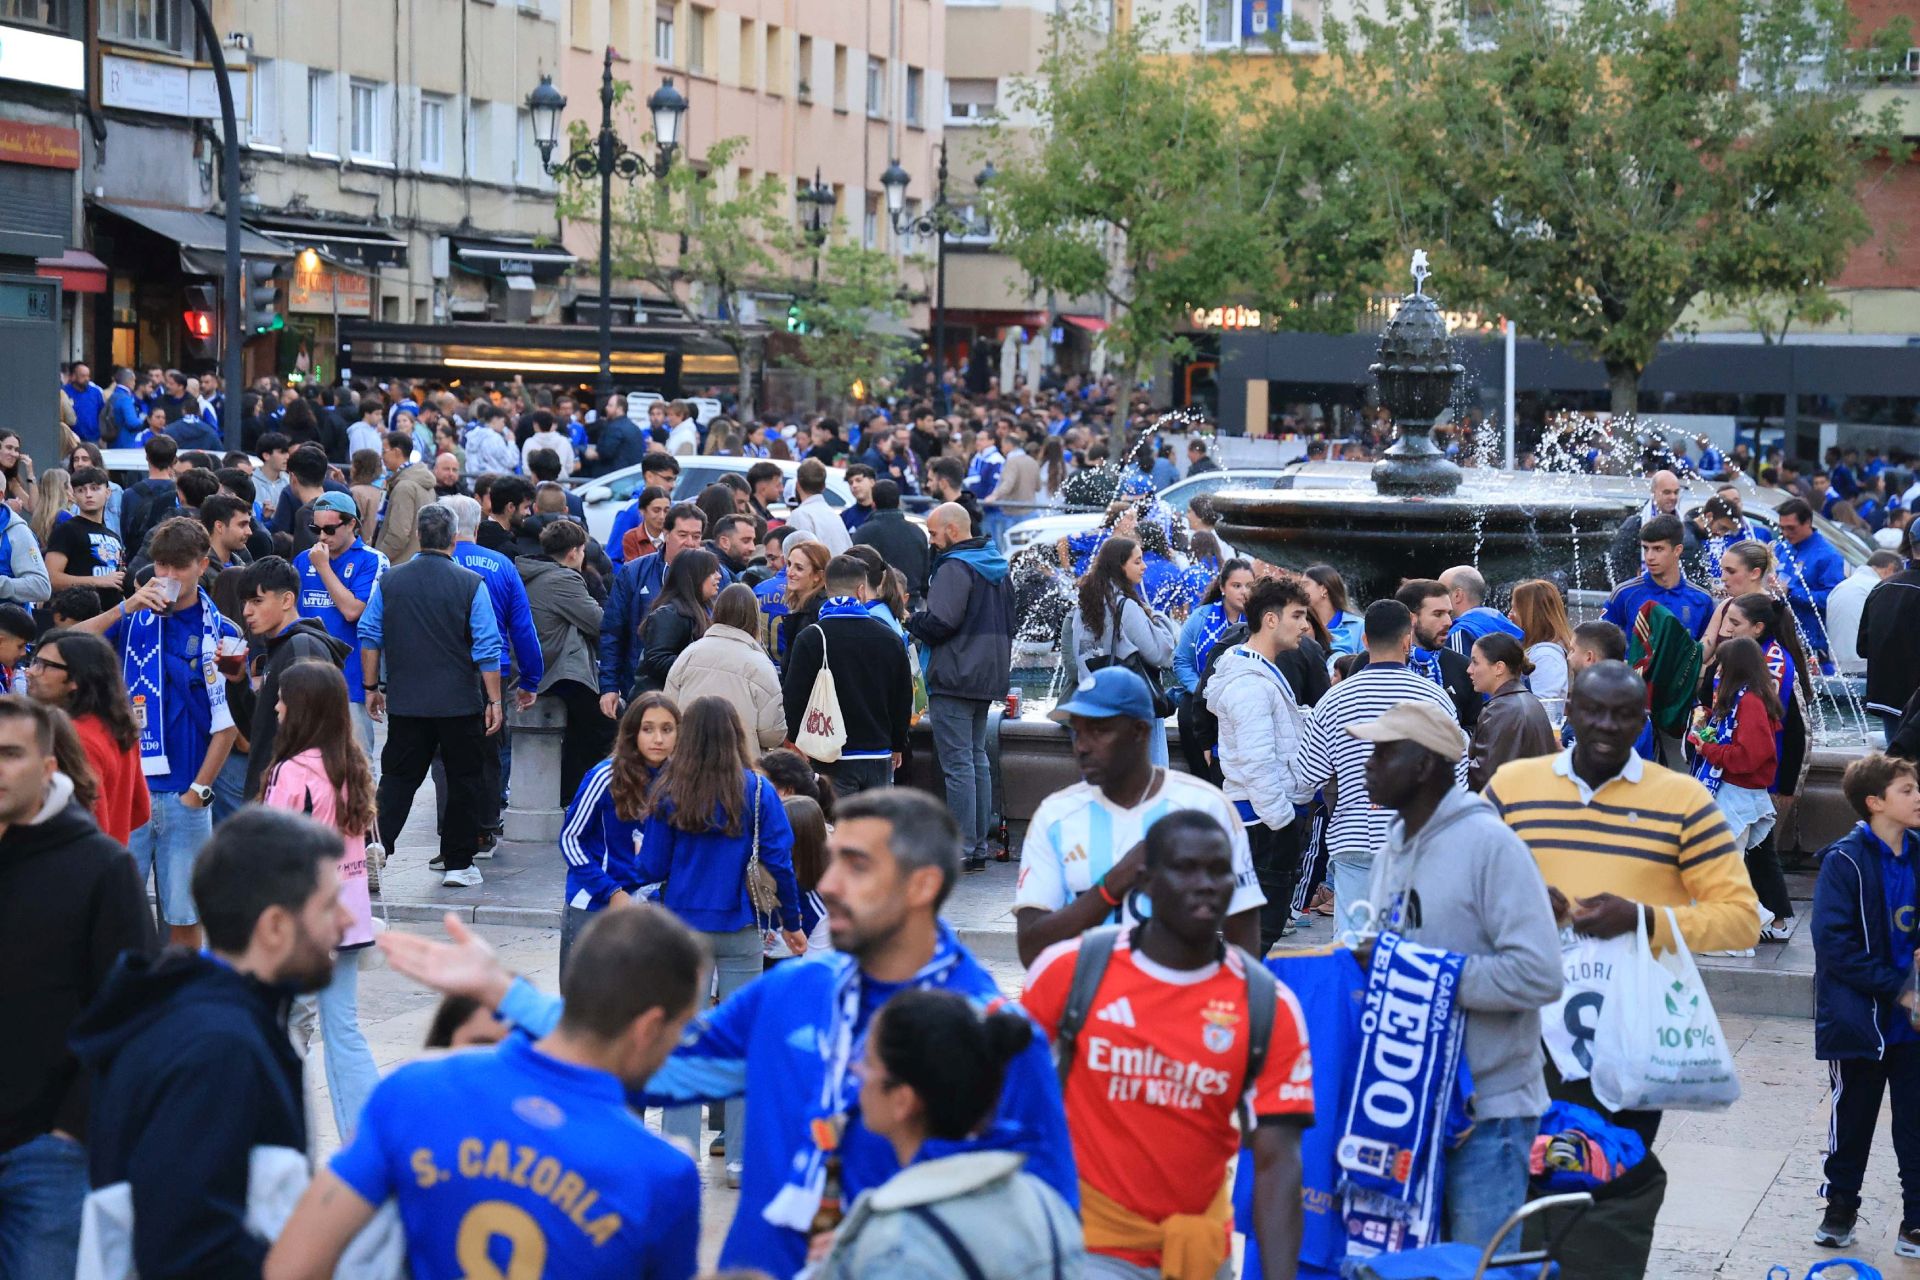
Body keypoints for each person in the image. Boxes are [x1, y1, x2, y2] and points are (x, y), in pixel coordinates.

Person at [377, 788, 1076, 1278]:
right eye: (831, 861)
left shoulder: (995, 1033)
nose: (827, 884)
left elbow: (1047, 1220)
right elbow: (662, 1064)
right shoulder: (798, 990)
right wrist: (504, 993)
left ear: (923, 886)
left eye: (856, 866)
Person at [265, 906, 706, 1280]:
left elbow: (293, 1266)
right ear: (649, 1028)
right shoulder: (662, 1173)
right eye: (682, 1030)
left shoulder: (415, 1089)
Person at [1483, 661, 1761, 1141]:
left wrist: (1642, 919)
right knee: (1528, 1189)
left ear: (1642, 721)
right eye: (1592, 711)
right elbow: (1469, 887)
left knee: (1615, 1190)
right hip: (1525, 1032)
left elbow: (1741, 921)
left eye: (1623, 714)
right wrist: (1518, 904)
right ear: (1569, 711)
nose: (1607, 726)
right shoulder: (1512, 788)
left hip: (1631, 1033)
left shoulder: (1683, 801)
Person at [1024, 810, 1308, 1279]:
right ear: (1147, 883)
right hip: (1081, 1249)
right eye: (1186, 868)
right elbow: (1007, 1103)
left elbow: (1279, 1163)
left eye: (1219, 870)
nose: (1206, 884)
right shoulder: (1070, 971)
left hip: (1196, 1254)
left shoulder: (1267, 1004)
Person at [73, 809, 349, 1280]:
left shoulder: (221, 1021)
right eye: (329, 905)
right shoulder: (218, 1049)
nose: (345, 921)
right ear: (275, 927)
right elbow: (188, 1250)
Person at [1356, 701, 1565, 1250]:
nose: (1366, 765)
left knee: (1476, 1267)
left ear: (1425, 765)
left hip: (1490, 1116)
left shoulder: (1492, 847)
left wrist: (1421, 973)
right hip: (1411, 1105)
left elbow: (1540, 974)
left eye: (1383, 752)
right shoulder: (1393, 846)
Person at [0, 697, 153, 1280]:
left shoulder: (99, 869)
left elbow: (132, 1008)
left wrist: (71, 1129)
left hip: (48, 1156)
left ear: (46, 768)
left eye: (10, 754)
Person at [637, 695, 805, 1182]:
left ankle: (680, 1152)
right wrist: (792, 923)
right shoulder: (757, 790)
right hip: (743, 928)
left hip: (684, 932)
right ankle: (738, 1158)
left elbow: (651, 866)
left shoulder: (670, 788)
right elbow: (780, 861)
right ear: (736, 736)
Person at [812, 989, 1084, 1280]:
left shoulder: (897, 1244)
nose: (856, 1070)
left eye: (868, 1061)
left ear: (903, 1100)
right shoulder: (1045, 1203)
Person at [1014, 666, 1264, 967]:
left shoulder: (1206, 807)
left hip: (1178, 1007)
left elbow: (1244, 937)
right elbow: (1030, 951)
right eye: (1077, 731)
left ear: (1140, 732)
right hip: (1084, 1008)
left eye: (1099, 730)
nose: (1081, 746)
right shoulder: (1054, 817)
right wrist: (1111, 887)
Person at [75, 517, 239, 948]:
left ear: (202, 564)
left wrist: (199, 791)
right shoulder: (132, 619)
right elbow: (62, 643)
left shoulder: (220, 631)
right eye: (160, 565)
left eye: (177, 566)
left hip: (186, 796)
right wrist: (123, 607)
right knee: (113, 916)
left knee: (185, 919)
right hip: (128, 792)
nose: (165, 576)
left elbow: (229, 722)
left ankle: (181, 1007)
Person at [259, 662, 380, 1141]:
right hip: (347, 917)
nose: (277, 705)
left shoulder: (291, 772)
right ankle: (366, 1136)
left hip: (300, 918)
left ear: (302, 707)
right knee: (343, 1029)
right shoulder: (350, 765)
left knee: (282, 1026)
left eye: (283, 697)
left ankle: (279, 1133)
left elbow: (269, 848)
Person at [1291, 599, 1463, 936]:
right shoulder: (1434, 697)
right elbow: (1455, 777)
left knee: (1354, 944)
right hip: (1417, 839)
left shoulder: (1335, 699)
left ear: (1365, 641)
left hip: (1353, 835)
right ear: (1407, 640)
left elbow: (1307, 774)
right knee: (1412, 941)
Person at [1810, 753, 1920, 1257]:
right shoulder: (1845, 860)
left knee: (1916, 1122)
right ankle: (1840, 1210)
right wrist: (1899, 987)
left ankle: (1915, 1219)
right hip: (1861, 1019)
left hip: (1913, 1022)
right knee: (1851, 1118)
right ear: (1875, 803)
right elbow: (1835, 946)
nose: (1918, 797)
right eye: (1907, 790)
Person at [362, 504, 504, 889]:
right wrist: (495, 700)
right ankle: (458, 863)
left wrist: (372, 687)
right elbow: (488, 648)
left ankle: (376, 845)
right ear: (454, 538)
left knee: (396, 779)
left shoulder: (390, 582)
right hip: (459, 702)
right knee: (463, 780)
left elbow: (369, 635)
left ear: (420, 536)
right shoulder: (471, 583)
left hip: (407, 701)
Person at [1206, 576, 1316, 955]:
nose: (1305, 625)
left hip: (1263, 820)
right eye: (1298, 615)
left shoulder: (1258, 673)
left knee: (1253, 939)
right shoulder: (1250, 684)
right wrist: (1284, 820)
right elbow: (1257, 765)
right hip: (1264, 824)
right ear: (1270, 620)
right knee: (1254, 940)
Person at [909, 503, 1014, 873]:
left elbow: (941, 621)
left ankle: (963, 846)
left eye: (935, 534)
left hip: (955, 674)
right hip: (987, 673)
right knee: (976, 759)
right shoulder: (996, 563)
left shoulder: (955, 566)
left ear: (953, 531)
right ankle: (979, 844)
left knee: (957, 764)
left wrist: (912, 620)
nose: (933, 542)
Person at [557, 693, 678, 973]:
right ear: (632, 732)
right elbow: (570, 838)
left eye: (667, 729)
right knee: (586, 1006)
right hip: (594, 902)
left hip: (654, 909)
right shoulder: (604, 776)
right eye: (648, 729)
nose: (658, 739)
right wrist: (611, 890)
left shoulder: (680, 781)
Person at [783, 554, 913, 797]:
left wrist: (797, 740)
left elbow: (794, 695)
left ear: (826, 587)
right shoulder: (889, 638)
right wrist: (898, 744)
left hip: (829, 752)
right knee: (875, 830)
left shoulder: (811, 637)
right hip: (878, 751)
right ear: (861, 590)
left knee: (837, 828)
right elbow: (902, 698)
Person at [1689, 637, 1785, 957]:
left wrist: (1710, 750)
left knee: (1720, 863)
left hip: (1738, 791)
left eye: (1720, 665)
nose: (1716, 671)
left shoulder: (1750, 702)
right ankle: (1748, 920)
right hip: (1735, 789)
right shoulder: (1746, 698)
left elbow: (1750, 756)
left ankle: (1738, 934)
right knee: (1724, 863)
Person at [235, 556, 351, 799]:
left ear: (287, 599)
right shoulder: (282, 646)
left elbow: (311, 738)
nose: (247, 611)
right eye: (245, 602)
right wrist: (236, 683)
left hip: (293, 805)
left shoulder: (302, 647)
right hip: (276, 799)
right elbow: (259, 731)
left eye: (257, 601)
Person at [518, 518, 615, 798]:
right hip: (558, 670)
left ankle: (569, 796)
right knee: (606, 728)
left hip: (540, 664)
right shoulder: (564, 578)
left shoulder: (533, 571)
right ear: (574, 552)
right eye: (583, 551)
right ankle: (586, 798)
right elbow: (599, 622)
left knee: (578, 734)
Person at [25, 630, 149, 843]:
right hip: (106, 862)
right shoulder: (118, 729)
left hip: (74, 868)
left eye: (43, 665)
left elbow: (88, 823)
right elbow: (141, 810)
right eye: (34, 661)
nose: (30, 672)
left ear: (76, 679)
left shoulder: (73, 737)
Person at [290, 490, 387, 761]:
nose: (322, 537)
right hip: (307, 678)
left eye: (330, 529)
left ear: (352, 524)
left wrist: (323, 568)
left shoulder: (371, 560)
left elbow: (352, 610)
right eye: (316, 529)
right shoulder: (302, 561)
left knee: (355, 763)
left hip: (350, 680)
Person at [1067, 536, 1177, 767]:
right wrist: (1158, 618)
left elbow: (1081, 658)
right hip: (1131, 708)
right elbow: (1160, 653)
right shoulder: (1127, 607)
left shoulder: (1084, 607)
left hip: (1095, 705)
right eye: (1137, 561)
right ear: (1120, 565)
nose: (1144, 566)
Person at [600, 502, 709, 713]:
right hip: (641, 689)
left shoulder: (715, 576)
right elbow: (613, 631)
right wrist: (609, 686)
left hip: (694, 692)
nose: (690, 543)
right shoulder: (634, 572)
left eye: (696, 536)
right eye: (683, 535)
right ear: (666, 534)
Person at [664, 582, 785, 753]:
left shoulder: (689, 654)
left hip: (689, 761)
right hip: (739, 766)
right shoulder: (760, 665)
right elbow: (772, 734)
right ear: (754, 617)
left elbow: (668, 713)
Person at [1602, 513, 1716, 641]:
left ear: (1677, 550)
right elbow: (1602, 645)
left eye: (1658, 549)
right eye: (1646, 548)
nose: (1649, 557)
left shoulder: (1702, 599)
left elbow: (1706, 651)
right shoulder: (1624, 594)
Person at [1466, 633, 1557, 792]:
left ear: (1499, 668)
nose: (1469, 670)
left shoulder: (1500, 710)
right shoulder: (1530, 701)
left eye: (1475, 662)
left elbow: (1483, 778)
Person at [1394, 578, 1481, 730]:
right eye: (1438, 614)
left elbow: (1477, 727)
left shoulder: (1463, 667)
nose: (1448, 622)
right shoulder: (1372, 662)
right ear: (1411, 618)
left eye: (1449, 613)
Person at [636, 547, 720, 695]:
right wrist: (700, 666)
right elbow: (656, 660)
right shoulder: (669, 614)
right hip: (660, 703)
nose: (718, 576)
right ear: (695, 576)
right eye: (712, 572)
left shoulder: (699, 610)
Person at [45, 465, 126, 616]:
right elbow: (51, 579)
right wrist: (99, 580)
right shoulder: (66, 530)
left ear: (108, 492)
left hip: (112, 616)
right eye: (81, 490)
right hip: (77, 616)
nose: (88, 494)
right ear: (73, 495)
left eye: (95, 488)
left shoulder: (114, 536)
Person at [1776, 497, 1847, 661]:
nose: (1786, 533)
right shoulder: (1782, 548)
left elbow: (1832, 599)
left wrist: (1792, 592)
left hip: (1811, 646)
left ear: (1807, 522)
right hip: (1781, 638)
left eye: (1791, 528)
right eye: (1782, 528)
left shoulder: (1827, 556)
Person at [1173, 558, 1253, 701]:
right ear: (1222, 587)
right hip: (1203, 701)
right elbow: (1182, 661)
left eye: (1249, 586)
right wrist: (1199, 690)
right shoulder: (1200, 617)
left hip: (1247, 702)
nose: (1244, 592)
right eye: (1236, 586)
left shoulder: (1260, 620)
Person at [1607, 468, 1700, 580]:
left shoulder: (1685, 526)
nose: (1673, 497)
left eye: (1676, 492)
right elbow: (1619, 562)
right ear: (1653, 492)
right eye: (1667, 492)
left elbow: (1694, 565)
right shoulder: (1635, 525)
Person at [851, 479, 931, 604]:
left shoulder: (862, 533)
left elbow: (854, 575)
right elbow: (925, 580)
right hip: (910, 604)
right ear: (898, 501)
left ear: (873, 503)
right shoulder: (917, 533)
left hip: (873, 606)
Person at [1828, 549, 1904, 676]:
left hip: (1839, 666)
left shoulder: (1841, 587)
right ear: (1889, 569)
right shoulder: (1879, 588)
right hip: (1866, 666)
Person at [1510, 579, 1573, 723]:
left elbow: (1544, 709)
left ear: (1531, 614)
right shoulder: (1538, 651)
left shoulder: (1546, 656)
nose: (1509, 615)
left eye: (1514, 609)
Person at [373, 431, 437, 565]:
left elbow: (398, 535)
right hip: (418, 562)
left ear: (396, 451)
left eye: (384, 451)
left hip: (399, 564)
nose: (381, 456)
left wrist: (378, 559)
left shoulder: (404, 487)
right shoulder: (422, 482)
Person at [1441, 564, 1525, 654]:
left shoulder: (1460, 633)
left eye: (1441, 593)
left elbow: (1457, 668)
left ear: (1458, 595)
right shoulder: (1505, 625)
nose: (1437, 599)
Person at [785, 458, 852, 555]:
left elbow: (799, 559)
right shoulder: (835, 516)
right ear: (824, 486)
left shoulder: (800, 515)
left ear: (798, 485)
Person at [1302, 564, 1362, 657]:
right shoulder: (1301, 625)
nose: (1300, 589)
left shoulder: (1359, 626)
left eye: (1305, 585)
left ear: (1323, 589)